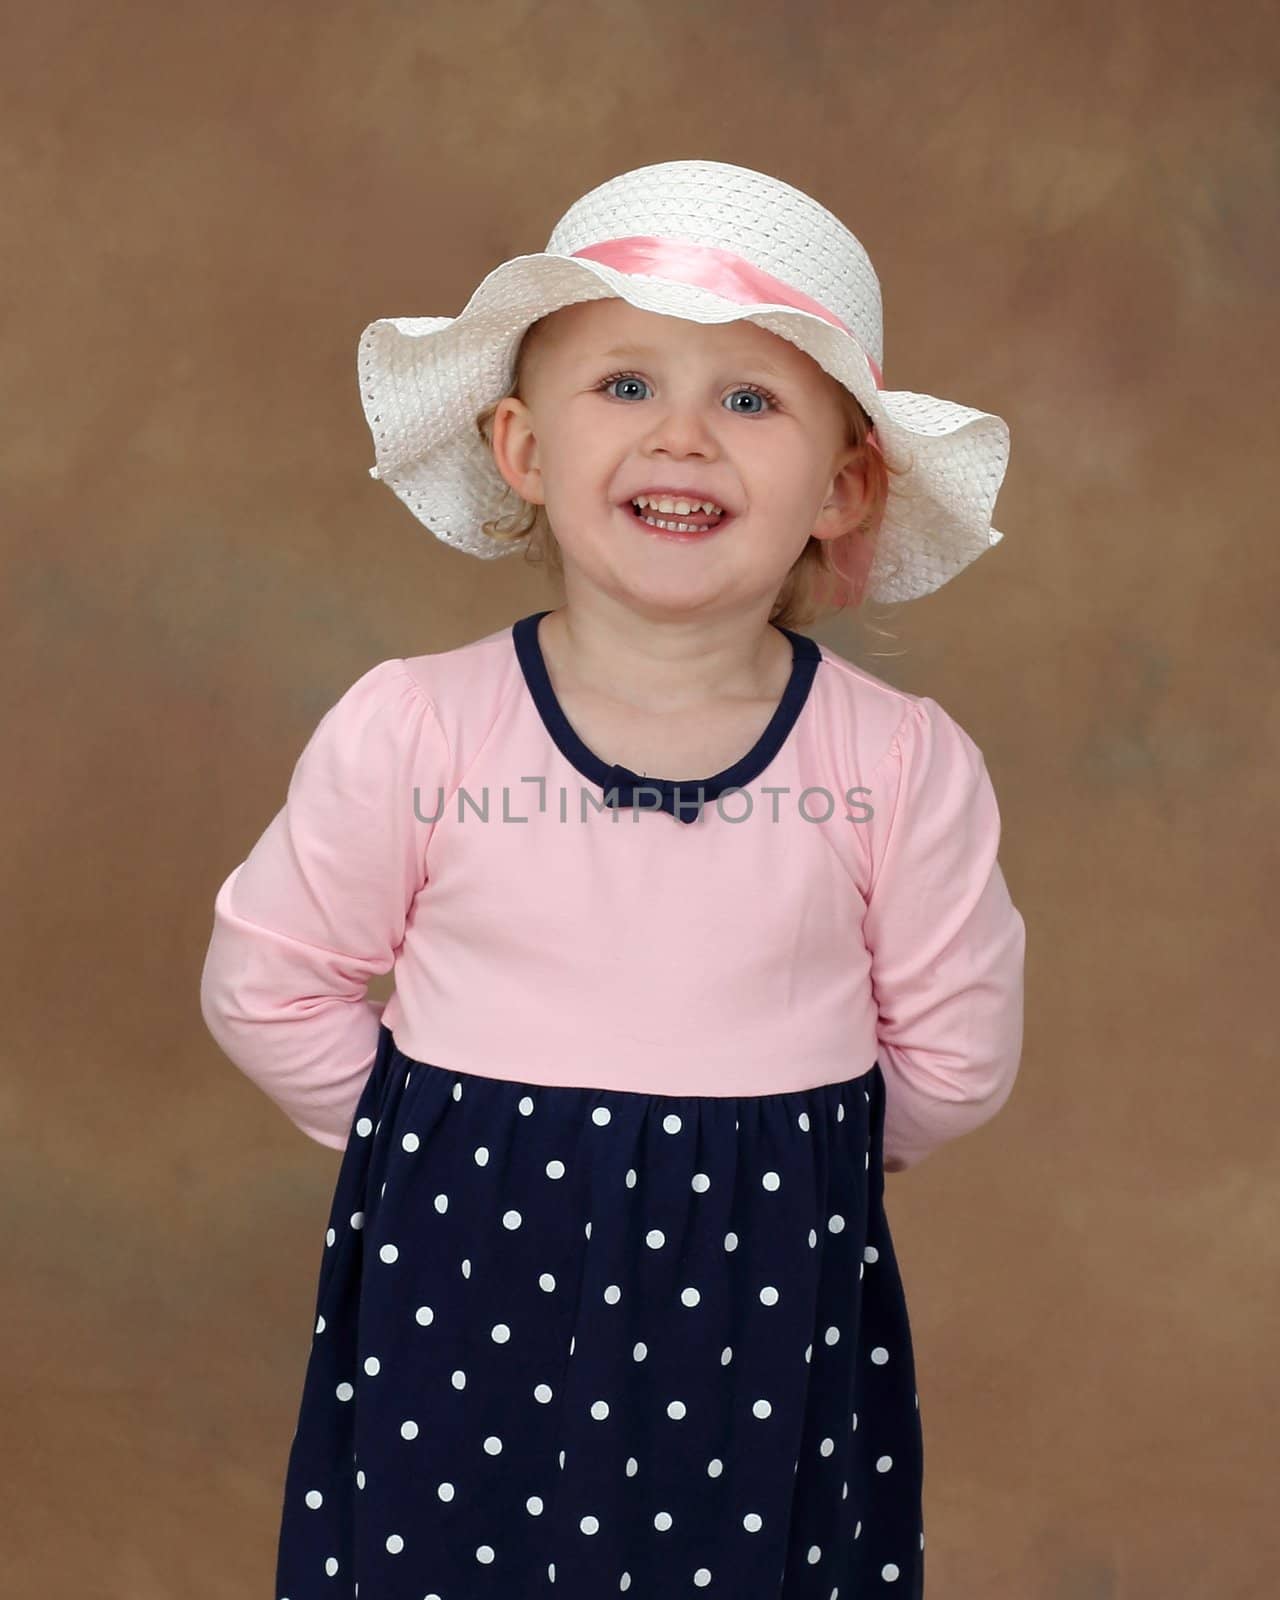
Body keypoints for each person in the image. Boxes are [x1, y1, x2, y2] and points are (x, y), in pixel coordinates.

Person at [199, 157, 1025, 1599]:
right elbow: (272, 979)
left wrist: (780, 1172)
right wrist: (450, 1151)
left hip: (766, 1300)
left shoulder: (896, 762)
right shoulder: (421, 724)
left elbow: (955, 1055)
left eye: (751, 400)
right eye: (625, 387)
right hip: (467, 1282)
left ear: (843, 486)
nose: (685, 441)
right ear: (520, 448)